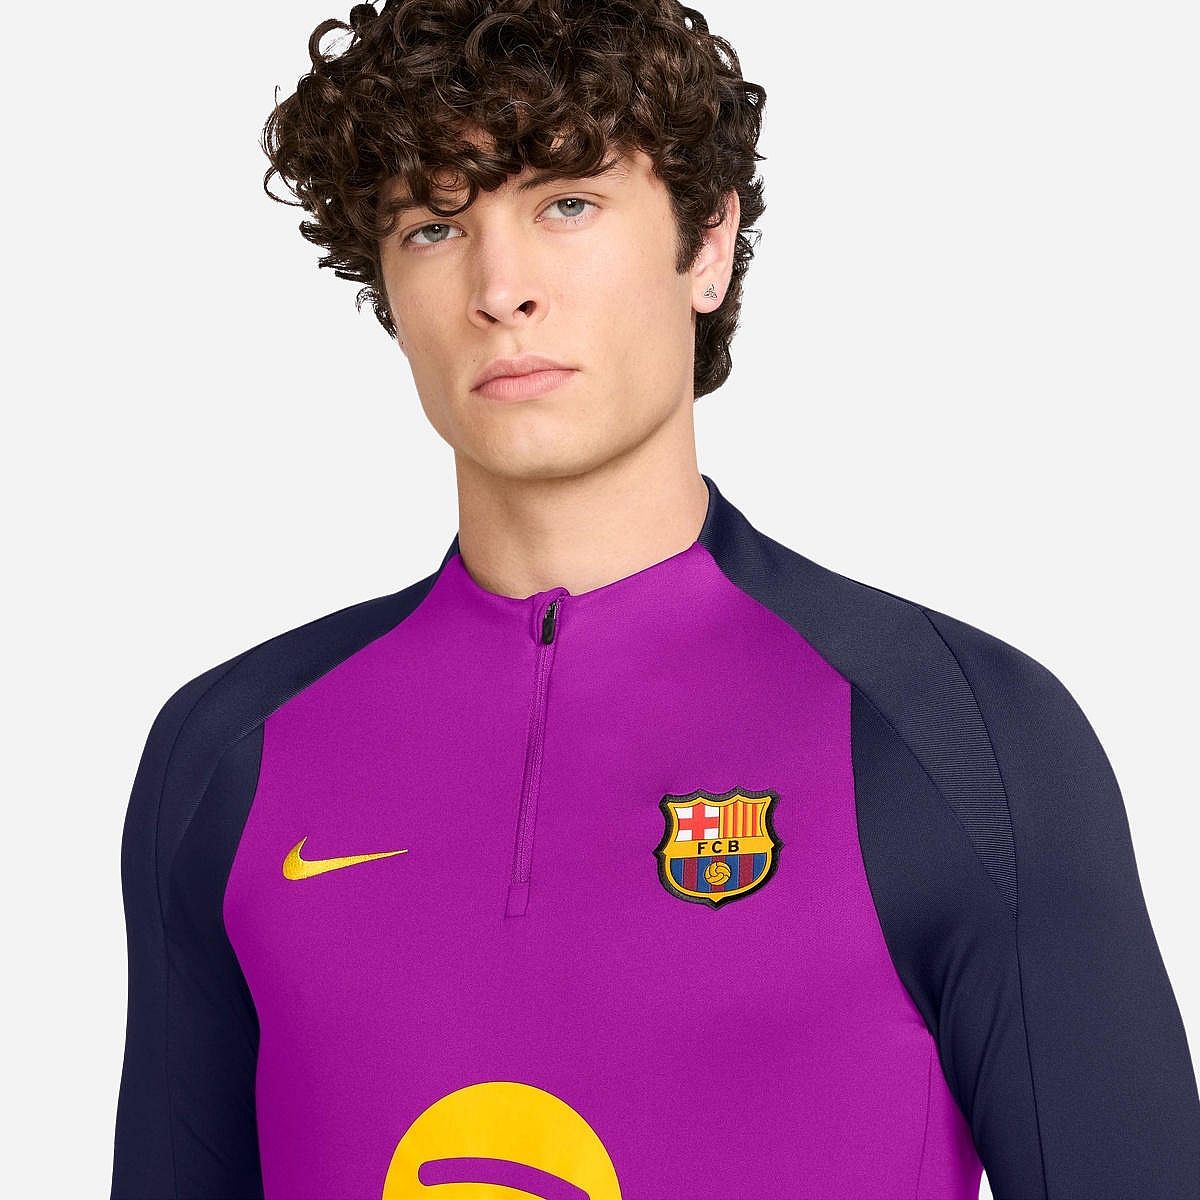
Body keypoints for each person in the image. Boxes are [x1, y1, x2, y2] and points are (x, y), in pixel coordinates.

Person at [110, 1, 1200, 1197]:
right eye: (435, 226)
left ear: (707, 244)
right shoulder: (231, 753)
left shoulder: (955, 732)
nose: (500, 288)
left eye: (567, 203)